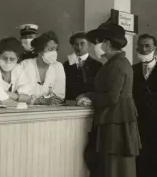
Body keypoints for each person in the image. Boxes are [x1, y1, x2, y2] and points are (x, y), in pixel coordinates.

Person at [77, 22, 140, 177]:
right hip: (115, 121)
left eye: (97, 42)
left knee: (115, 169)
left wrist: (89, 96)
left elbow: (112, 97)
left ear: (107, 42)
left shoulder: (117, 65)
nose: (95, 46)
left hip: (116, 123)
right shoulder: (115, 63)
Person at [0, 37, 32, 106]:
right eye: (5, 58)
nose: (8, 62)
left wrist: (9, 94)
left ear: (18, 58)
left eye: (12, 59)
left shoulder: (18, 68)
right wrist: (19, 101)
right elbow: (0, 100)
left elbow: (28, 98)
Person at [132, 34, 157, 177]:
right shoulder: (132, 69)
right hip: (139, 123)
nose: (143, 49)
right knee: (141, 162)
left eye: (147, 45)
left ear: (155, 48)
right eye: (140, 45)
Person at [20, 31, 65, 105]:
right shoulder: (25, 65)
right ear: (40, 51)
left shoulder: (58, 67)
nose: (54, 52)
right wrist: (43, 101)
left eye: (55, 49)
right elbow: (21, 95)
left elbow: (59, 97)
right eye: (50, 49)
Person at [63, 32, 102, 102]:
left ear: (89, 45)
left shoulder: (97, 65)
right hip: (70, 104)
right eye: (76, 44)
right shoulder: (66, 65)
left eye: (82, 43)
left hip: (89, 103)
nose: (79, 47)